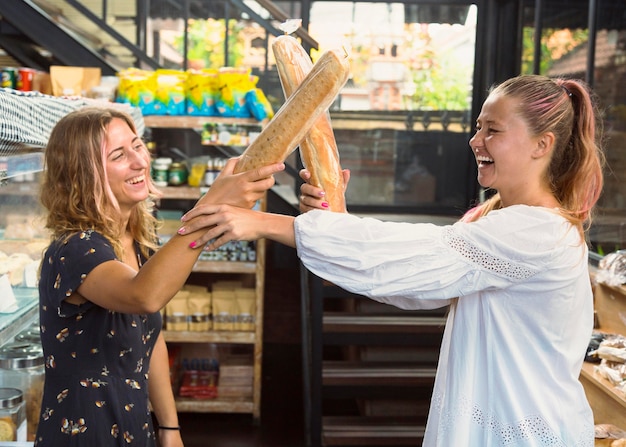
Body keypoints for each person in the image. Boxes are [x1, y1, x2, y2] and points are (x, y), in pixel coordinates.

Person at [177, 74, 605, 446]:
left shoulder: (537, 231)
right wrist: (332, 218)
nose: (476, 140)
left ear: (541, 145)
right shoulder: (500, 220)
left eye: (493, 129)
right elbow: (413, 281)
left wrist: (261, 222)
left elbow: (417, 256)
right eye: (478, 127)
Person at [35, 106, 284, 447]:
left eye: (138, 146)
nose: (139, 162)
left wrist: (169, 427)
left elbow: (149, 337)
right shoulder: (74, 250)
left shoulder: (136, 241)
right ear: (83, 174)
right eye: (119, 155)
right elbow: (144, 296)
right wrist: (209, 206)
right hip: (84, 430)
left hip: (134, 424)